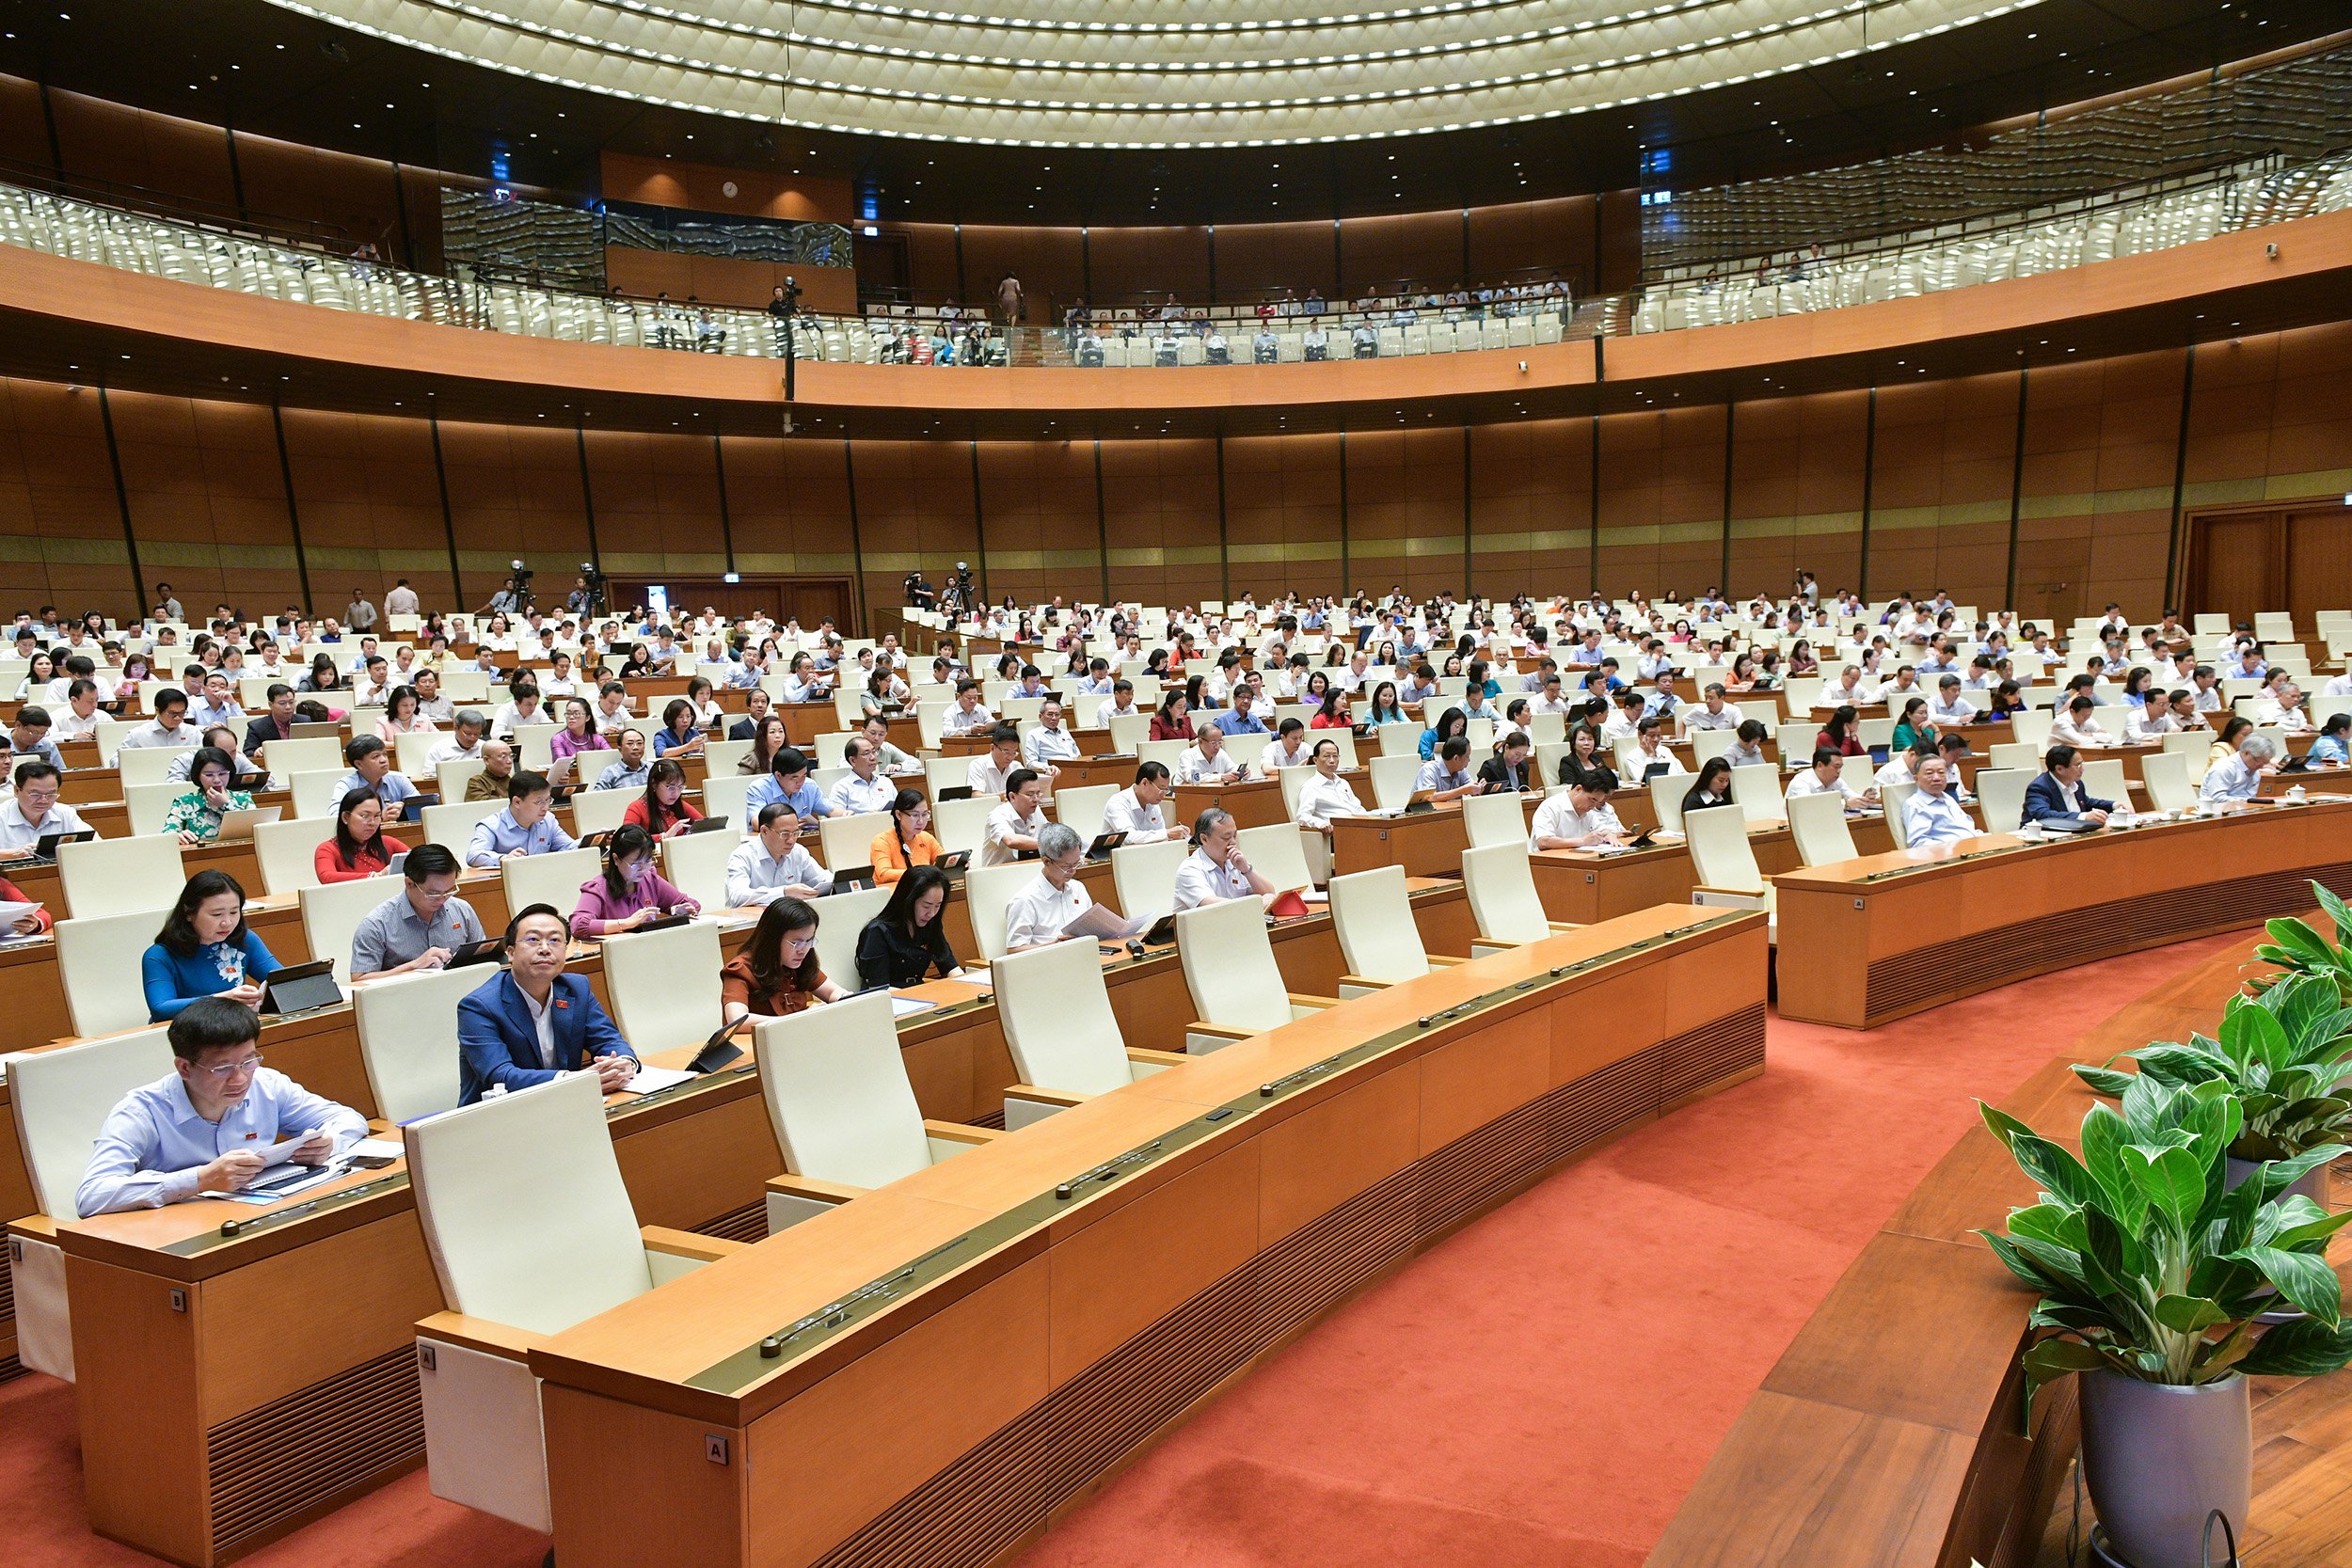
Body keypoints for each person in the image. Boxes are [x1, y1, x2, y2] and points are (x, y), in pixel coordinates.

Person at [74, 997, 366, 1216]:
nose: (240, 1078)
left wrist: (330, 1143)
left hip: (257, 1216)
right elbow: (92, 1195)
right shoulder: (141, 1111)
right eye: (223, 1068)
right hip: (183, 1232)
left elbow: (348, 1119)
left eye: (249, 1061)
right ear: (185, 1068)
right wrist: (200, 1179)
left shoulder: (267, 1084)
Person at [455, 905, 638, 1104]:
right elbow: (501, 1077)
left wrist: (623, 1063)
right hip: (498, 1117)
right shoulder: (478, 1006)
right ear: (511, 952)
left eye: (555, 940)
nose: (544, 949)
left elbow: (608, 1041)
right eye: (533, 940)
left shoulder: (576, 988)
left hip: (565, 1104)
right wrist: (572, 1080)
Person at [142, 870, 283, 1022]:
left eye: (234, 912)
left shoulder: (245, 940)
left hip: (234, 1029)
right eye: (217, 914)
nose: (227, 922)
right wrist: (222, 1000)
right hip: (185, 1035)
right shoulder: (159, 955)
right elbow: (161, 1009)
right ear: (189, 913)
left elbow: (282, 980)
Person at [349, 845, 485, 981]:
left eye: (449, 891)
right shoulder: (376, 924)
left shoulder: (462, 909)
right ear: (409, 883)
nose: (443, 899)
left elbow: (484, 957)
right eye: (433, 894)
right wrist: (414, 965)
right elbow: (360, 980)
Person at [721, 896, 850, 1022]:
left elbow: (833, 991)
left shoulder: (800, 962)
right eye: (796, 943)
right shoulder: (740, 970)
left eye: (809, 941)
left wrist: (843, 998)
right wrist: (800, 1018)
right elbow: (737, 1020)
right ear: (772, 939)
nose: (803, 950)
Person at [570, 825, 700, 938]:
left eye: (648, 861)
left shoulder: (650, 879)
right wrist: (625, 923)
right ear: (616, 859)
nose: (644, 869)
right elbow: (578, 925)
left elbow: (693, 904)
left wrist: (678, 911)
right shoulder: (598, 888)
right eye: (636, 864)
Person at [855, 864, 966, 989]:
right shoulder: (877, 932)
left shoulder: (931, 924)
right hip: (889, 1000)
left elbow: (950, 967)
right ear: (908, 900)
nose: (931, 913)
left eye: (937, 906)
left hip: (918, 995)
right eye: (926, 906)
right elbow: (878, 989)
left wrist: (965, 984)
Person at [1003, 822, 1094, 950]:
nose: (1073, 871)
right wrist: (1052, 947)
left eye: (1077, 863)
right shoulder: (1025, 900)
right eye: (1067, 866)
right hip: (1047, 964)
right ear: (1046, 861)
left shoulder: (1078, 888)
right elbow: (1014, 950)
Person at [725, 804, 834, 905]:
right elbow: (737, 896)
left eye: (795, 833)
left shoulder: (798, 851)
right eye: (785, 834)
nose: (791, 840)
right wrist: (784, 892)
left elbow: (824, 880)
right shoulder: (742, 856)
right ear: (764, 831)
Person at [467, 770, 579, 866]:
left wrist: (587, 843)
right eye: (539, 802)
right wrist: (503, 859)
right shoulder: (492, 825)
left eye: (548, 800)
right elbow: (474, 855)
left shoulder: (548, 820)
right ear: (517, 802)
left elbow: (568, 846)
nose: (545, 808)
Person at [1172, 807, 1278, 911]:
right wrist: (1257, 905)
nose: (1233, 842)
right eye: (1226, 838)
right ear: (1204, 839)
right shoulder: (1189, 870)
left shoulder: (1235, 862)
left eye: (1234, 836)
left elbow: (1270, 894)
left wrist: (1247, 870)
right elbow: (1215, 908)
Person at [159, 746, 255, 845]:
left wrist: (225, 804)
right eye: (209, 775)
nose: (217, 780)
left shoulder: (244, 799)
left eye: (222, 774)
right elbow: (167, 834)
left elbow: (255, 829)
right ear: (198, 776)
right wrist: (177, 836)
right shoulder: (184, 802)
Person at [0, 759, 89, 853]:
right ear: (17, 791)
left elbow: (95, 843)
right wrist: (13, 854)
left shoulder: (65, 813)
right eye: (35, 794)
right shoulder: (2, 815)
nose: (43, 800)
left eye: (51, 794)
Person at [316, 787, 397, 881]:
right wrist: (376, 876)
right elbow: (327, 877)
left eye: (377, 816)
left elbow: (417, 860)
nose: (372, 822)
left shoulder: (388, 842)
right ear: (346, 817)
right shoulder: (327, 849)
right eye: (365, 816)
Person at [2024, 744, 2114, 828]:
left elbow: (2086, 802)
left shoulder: (2077, 783)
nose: (2082, 769)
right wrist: (2083, 816)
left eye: (2082, 764)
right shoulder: (2039, 787)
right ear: (2059, 769)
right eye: (2078, 765)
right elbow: (2042, 814)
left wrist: (2114, 805)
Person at [338, 735, 424, 819]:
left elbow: (422, 809)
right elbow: (337, 817)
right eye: (376, 756)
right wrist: (380, 817)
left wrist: (406, 810)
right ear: (359, 764)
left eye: (385, 754)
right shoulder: (347, 785)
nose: (383, 760)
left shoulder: (399, 779)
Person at [1102, 761, 1188, 844]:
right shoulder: (1117, 803)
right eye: (1161, 789)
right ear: (1145, 783)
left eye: (1166, 790)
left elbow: (1160, 838)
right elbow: (1128, 838)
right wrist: (1167, 833)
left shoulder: (1154, 804)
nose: (1163, 795)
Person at [870, 790, 944, 885]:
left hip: (922, 891)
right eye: (915, 815)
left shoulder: (926, 838)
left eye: (925, 814)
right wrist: (920, 873)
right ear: (899, 815)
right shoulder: (882, 841)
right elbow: (884, 874)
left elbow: (944, 861)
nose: (921, 821)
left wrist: (960, 863)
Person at [1900, 755, 1976, 847]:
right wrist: (1952, 848)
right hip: (1952, 855)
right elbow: (1919, 843)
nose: (1936, 778)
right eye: (1929, 773)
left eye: (1941, 772)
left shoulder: (1948, 798)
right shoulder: (1915, 804)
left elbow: (1967, 829)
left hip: (1972, 846)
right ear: (1916, 779)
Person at [979, 768, 1049, 867]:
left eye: (1038, 793)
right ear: (1012, 797)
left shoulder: (1035, 810)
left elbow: (1049, 832)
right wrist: (1048, 844)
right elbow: (1011, 840)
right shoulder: (997, 815)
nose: (1036, 799)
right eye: (1029, 794)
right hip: (998, 875)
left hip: (1027, 869)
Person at [1530, 781, 1627, 849]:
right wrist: (1582, 841)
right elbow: (1544, 842)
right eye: (1592, 800)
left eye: (1597, 802)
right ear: (1578, 789)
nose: (1593, 806)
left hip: (1576, 860)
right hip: (1547, 865)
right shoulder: (1550, 806)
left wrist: (1610, 835)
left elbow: (1602, 830)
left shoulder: (1588, 811)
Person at [623, 758, 703, 838]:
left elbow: (705, 825)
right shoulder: (636, 808)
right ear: (653, 784)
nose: (676, 793)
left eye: (680, 787)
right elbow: (627, 838)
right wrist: (664, 837)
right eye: (671, 787)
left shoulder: (680, 805)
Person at [1295, 738, 1364, 830]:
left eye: (1335, 756)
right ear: (1315, 760)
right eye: (1327, 756)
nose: (1332, 760)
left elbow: (1357, 808)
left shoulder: (1343, 783)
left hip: (1358, 827)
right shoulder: (1311, 787)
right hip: (1338, 832)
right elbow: (1302, 816)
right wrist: (1320, 824)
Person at [827, 736, 898, 816]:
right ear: (853, 760)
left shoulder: (886, 782)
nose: (873, 757)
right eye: (867, 753)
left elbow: (899, 811)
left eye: (874, 752)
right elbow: (837, 821)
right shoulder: (841, 787)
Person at [2201, 732, 2279, 802]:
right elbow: (2216, 799)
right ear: (2246, 753)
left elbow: (2250, 796)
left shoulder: (2255, 770)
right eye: (2258, 761)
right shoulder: (2224, 768)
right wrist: (2249, 801)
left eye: (2265, 763)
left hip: (2243, 811)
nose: (2261, 767)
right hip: (2218, 813)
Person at [1786, 747, 1867, 810]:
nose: (1839, 771)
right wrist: (1845, 804)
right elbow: (1808, 807)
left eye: (1840, 767)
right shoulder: (1801, 782)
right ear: (1820, 765)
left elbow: (1852, 797)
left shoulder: (1836, 781)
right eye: (1836, 767)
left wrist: (1865, 799)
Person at [595, 727, 654, 792]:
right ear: (620, 749)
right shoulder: (610, 772)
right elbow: (597, 796)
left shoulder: (651, 768)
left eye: (639, 743)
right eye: (630, 744)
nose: (636, 747)